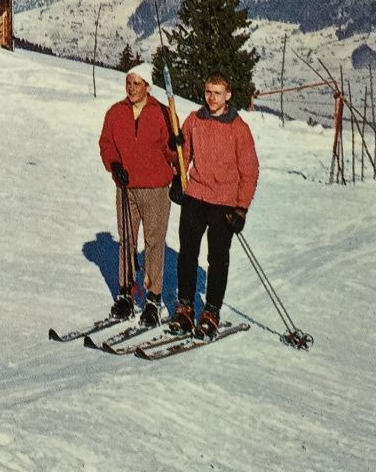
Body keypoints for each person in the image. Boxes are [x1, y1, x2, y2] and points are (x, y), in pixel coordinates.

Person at [169, 73, 259, 339]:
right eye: (208, 92)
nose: (211, 98)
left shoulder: (238, 128)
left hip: (225, 202)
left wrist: (241, 208)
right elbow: (183, 155)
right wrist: (177, 176)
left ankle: (211, 313)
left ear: (228, 95)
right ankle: (185, 308)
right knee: (187, 253)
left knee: (217, 260)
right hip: (196, 195)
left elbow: (250, 170)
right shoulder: (194, 120)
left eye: (217, 93)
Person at [98, 69, 177, 327]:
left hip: (155, 188)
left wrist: (178, 151)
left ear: (148, 86)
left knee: (154, 242)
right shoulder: (115, 112)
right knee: (127, 242)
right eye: (128, 83)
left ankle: (153, 300)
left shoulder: (163, 114)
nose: (131, 88)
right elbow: (106, 143)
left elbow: (174, 152)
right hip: (126, 187)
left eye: (137, 83)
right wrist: (114, 164)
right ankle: (126, 295)